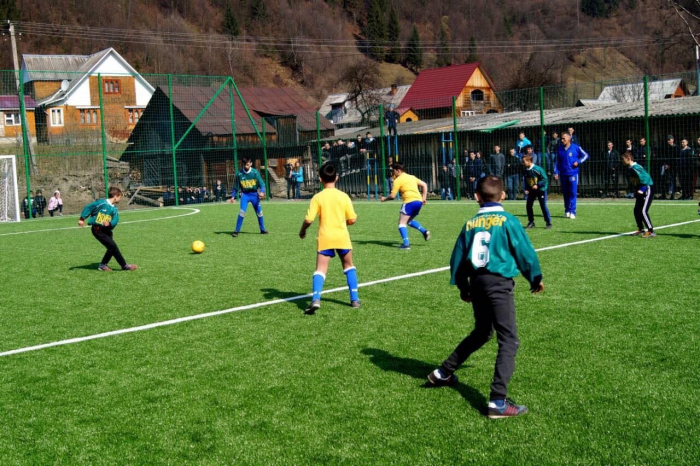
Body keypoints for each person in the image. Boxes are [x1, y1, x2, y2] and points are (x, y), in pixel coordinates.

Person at [427, 175, 544, 419]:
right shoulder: (509, 221)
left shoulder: (470, 223)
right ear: (503, 196)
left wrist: (463, 287)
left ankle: (443, 372)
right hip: (499, 284)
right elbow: (525, 253)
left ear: (476, 197)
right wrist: (535, 278)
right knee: (509, 340)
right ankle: (498, 402)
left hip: (477, 282)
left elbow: (456, 259)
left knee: (482, 332)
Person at [299, 163, 360, 315]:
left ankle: (316, 299)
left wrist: (302, 231)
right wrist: (342, 223)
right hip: (342, 236)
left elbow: (309, 220)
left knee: (320, 270)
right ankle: (354, 299)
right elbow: (352, 219)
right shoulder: (343, 196)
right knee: (348, 266)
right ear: (337, 178)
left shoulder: (317, 197)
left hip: (325, 237)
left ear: (320, 179)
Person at [78, 187, 137, 271]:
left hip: (107, 230)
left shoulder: (114, 208)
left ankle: (103, 265)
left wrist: (110, 223)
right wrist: (82, 219)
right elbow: (88, 207)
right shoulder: (101, 203)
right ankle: (124, 265)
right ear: (115, 196)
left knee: (111, 247)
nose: (120, 198)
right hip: (97, 229)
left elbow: (116, 219)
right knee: (112, 246)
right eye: (120, 196)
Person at [380, 162, 430, 250]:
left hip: (409, 202)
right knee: (409, 221)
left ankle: (406, 244)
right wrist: (424, 198)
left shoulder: (398, 180)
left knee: (401, 223)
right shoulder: (412, 177)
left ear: (398, 170)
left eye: (393, 171)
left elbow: (392, 196)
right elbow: (424, 185)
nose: (392, 173)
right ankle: (424, 231)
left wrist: (384, 199)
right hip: (418, 202)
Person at [229, 157, 268, 237]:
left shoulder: (255, 173)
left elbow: (262, 184)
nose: (246, 166)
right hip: (245, 195)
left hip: (254, 195)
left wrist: (262, 192)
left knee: (259, 213)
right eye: (244, 165)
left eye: (247, 164)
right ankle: (236, 230)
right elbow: (236, 187)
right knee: (242, 212)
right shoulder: (239, 174)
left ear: (251, 164)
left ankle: (262, 230)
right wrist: (233, 196)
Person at [554, 132, 588, 219]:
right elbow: (557, 162)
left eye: (563, 139)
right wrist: (556, 172)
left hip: (573, 174)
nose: (562, 140)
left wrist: (578, 162)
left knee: (573, 192)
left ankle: (573, 211)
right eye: (561, 138)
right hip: (563, 174)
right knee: (565, 193)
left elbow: (585, 155)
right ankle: (567, 210)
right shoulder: (560, 149)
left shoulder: (576, 147)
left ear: (569, 139)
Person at [621, 150, 655, 238]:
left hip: (647, 188)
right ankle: (641, 229)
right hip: (640, 189)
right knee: (636, 210)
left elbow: (646, 178)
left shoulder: (635, 167)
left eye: (623, 159)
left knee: (643, 211)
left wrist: (642, 189)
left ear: (628, 159)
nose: (622, 161)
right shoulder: (630, 168)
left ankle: (651, 231)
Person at [522, 152, 552, 229]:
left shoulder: (538, 169)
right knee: (528, 205)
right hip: (532, 190)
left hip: (541, 190)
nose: (523, 163)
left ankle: (548, 222)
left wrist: (538, 185)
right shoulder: (525, 170)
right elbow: (526, 181)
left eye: (524, 161)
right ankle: (531, 222)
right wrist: (526, 189)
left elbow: (545, 179)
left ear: (529, 161)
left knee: (543, 206)